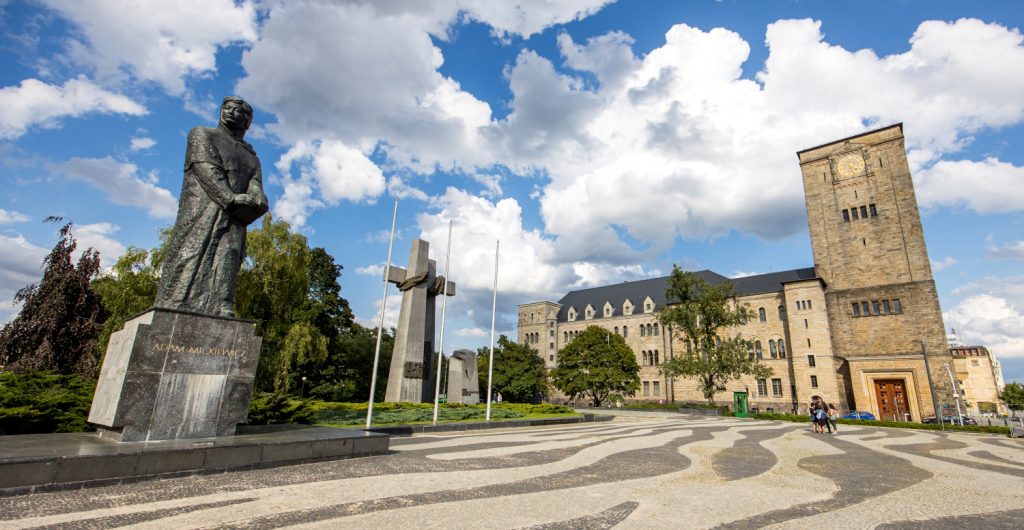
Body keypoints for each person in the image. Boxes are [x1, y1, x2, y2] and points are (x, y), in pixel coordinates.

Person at [154, 97, 269, 317]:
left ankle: (222, 302)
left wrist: (259, 197)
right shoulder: (202, 134)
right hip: (204, 207)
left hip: (235, 214)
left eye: (238, 111)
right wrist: (230, 198)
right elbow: (205, 168)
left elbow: (255, 181)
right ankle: (175, 300)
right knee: (191, 249)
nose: (230, 112)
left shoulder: (250, 155)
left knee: (230, 254)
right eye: (227, 108)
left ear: (248, 122)